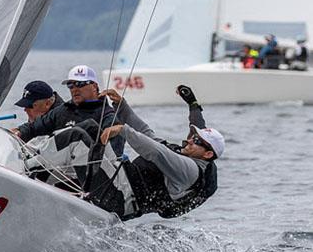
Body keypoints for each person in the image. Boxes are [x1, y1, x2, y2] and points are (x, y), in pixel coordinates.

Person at [83, 85, 224, 221]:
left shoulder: (190, 171)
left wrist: (123, 130)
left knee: (80, 136)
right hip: (119, 187)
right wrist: (122, 106)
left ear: (208, 155)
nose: (191, 140)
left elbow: (156, 152)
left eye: (198, 141)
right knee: (91, 131)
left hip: (121, 198)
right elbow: (146, 133)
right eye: (194, 136)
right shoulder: (187, 154)